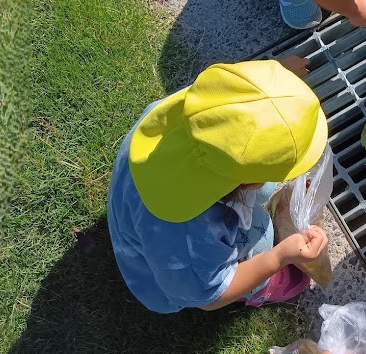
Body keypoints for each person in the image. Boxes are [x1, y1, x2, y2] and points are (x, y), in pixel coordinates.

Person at [107, 57, 330, 312]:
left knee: (265, 193)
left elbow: (241, 106)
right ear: (244, 183)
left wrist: (277, 89)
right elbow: (211, 296)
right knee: (265, 235)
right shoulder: (189, 242)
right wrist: (280, 257)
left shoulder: (192, 115)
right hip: (169, 276)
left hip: (137, 205)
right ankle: (261, 289)